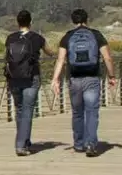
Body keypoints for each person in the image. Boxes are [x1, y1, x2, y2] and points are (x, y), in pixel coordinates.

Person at [49, 8, 115, 157]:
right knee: (92, 113)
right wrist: (111, 76)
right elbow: (107, 58)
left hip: (74, 80)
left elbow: (60, 60)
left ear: (73, 20)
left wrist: (55, 79)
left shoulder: (67, 37)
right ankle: (91, 144)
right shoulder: (96, 35)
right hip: (92, 78)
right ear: (87, 19)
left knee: (77, 113)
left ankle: (78, 144)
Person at [2, 9, 49, 156]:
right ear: (30, 22)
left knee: (20, 110)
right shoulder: (37, 38)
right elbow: (50, 51)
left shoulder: (10, 38)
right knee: (28, 111)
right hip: (31, 77)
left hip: (14, 78)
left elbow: (7, 57)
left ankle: (24, 141)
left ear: (18, 22)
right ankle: (21, 145)